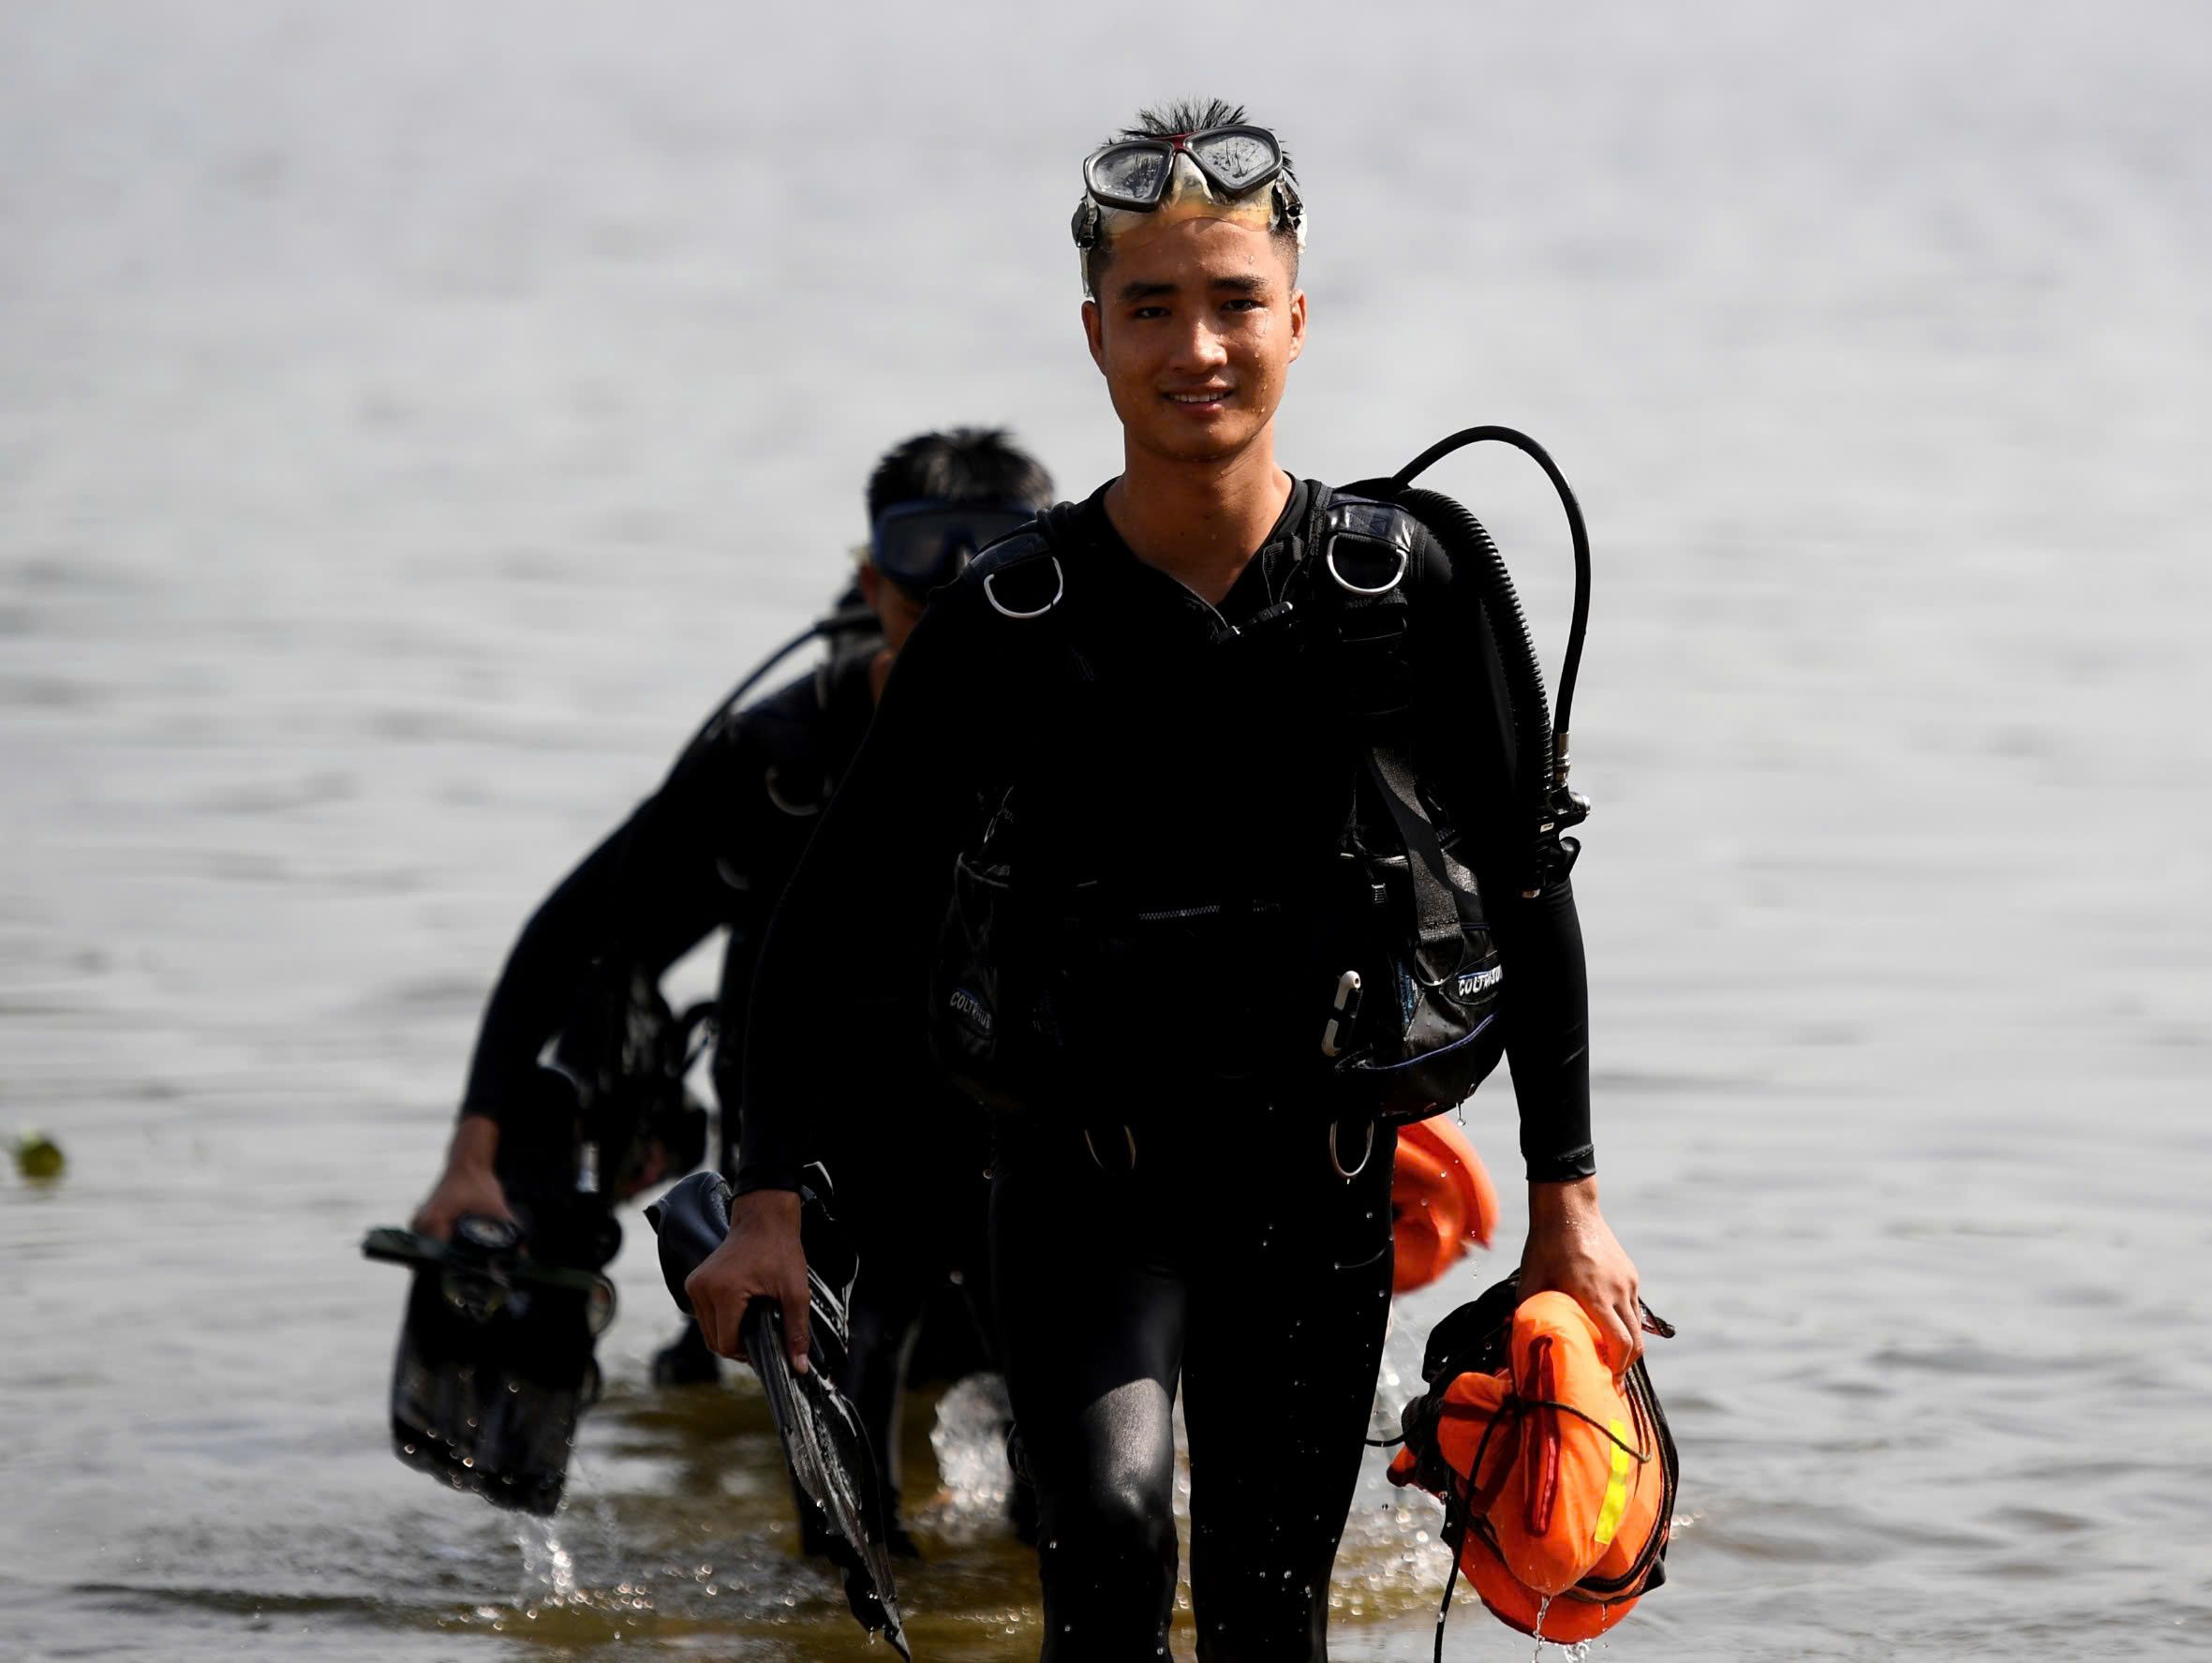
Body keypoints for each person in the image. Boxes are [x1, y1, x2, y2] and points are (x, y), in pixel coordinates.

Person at [688, 101, 1644, 1662]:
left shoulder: (1404, 586)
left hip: (1318, 1182)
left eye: (1233, 302)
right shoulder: (1010, 619)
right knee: (1113, 1539)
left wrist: (1570, 1203)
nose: (1196, 347)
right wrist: (767, 1202)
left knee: (1270, 1608)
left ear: (1297, 320)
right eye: (1150, 308)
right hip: (1079, 1185)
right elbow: (829, 914)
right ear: (1094, 335)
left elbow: (1532, 890)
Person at [408, 426, 1055, 1543]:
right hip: (819, 1162)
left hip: (1022, 1150)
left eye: (987, 577)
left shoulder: (1094, 744)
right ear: (870, 584)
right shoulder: (778, 761)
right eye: (922, 581)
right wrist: (476, 1158)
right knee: (838, 1502)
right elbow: (569, 941)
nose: (952, 617)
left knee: (1063, 1496)